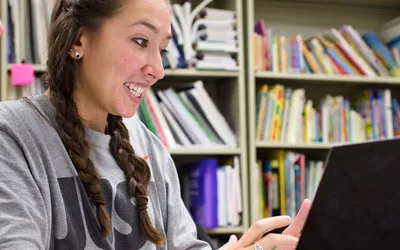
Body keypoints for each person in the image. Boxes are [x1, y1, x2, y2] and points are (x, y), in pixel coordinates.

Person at [0, 0, 311, 249]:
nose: (158, 70)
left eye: (161, 50)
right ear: (79, 39)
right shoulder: (11, 133)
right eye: (140, 40)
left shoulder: (147, 146)